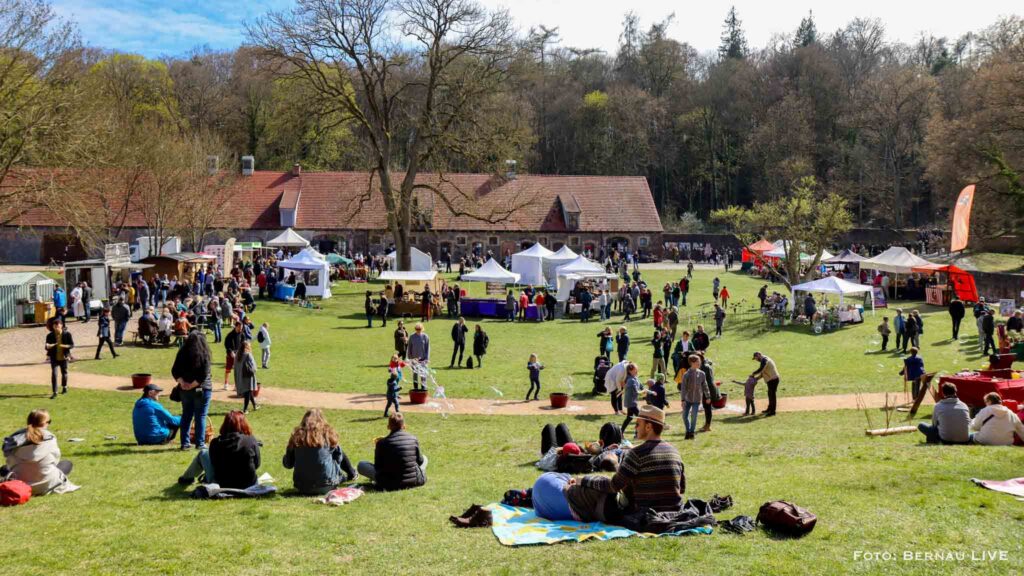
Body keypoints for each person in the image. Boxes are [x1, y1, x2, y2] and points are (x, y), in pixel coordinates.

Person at [571, 405, 684, 519]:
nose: (635, 428)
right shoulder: (675, 452)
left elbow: (613, 486)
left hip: (645, 516)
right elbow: (681, 488)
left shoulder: (636, 453)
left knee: (578, 492)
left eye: (638, 424)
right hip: (676, 513)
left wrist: (583, 480)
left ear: (649, 427)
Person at [283, 409, 357, 495]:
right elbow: (339, 457)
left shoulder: (296, 436)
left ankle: (349, 474)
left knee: (335, 450)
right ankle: (351, 473)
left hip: (301, 487)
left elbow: (288, 464)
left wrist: (288, 455)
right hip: (326, 485)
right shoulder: (327, 433)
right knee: (337, 449)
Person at [3, 409, 76, 495]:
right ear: (44, 423)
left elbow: (9, 461)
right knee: (66, 464)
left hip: (20, 484)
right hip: (46, 484)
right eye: (49, 422)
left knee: (4, 469)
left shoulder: (14, 440)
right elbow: (55, 461)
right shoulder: (50, 439)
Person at [180, 411, 261, 488]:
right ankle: (187, 478)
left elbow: (214, 465)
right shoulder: (251, 440)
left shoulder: (215, 443)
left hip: (221, 485)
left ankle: (186, 478)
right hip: (249, 484)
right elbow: (257, 464)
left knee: (203, 453)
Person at [357, 413, 427, 491]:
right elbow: (420, 461)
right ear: (404, 426)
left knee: (361, 465)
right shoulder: (413, 439)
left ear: (388, 427)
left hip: (389, 483)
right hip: (414, 481)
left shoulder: (381, 443)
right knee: (425, 458)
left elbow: (378, 466)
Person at [172, 331, 213, 451]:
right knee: (200, 416)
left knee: (186, 415)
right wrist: (192, 385)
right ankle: (199, 443)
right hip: (202, 389)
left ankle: (185, 443)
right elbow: (203, 375)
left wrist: (183, 383)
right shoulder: (204, 353)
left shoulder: (182, 352)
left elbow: (174, 370)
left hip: (185, 390)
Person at [44, 317, 74, 399]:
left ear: (62, 325)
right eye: (55, 325)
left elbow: (72, 345)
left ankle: (64, 386)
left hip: (64, 357)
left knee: (64, 373)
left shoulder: (67, 334)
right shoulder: (49, 335)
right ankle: (55, 392)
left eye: (58, 325)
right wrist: (49, 346)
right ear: (53, 326)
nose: (56, 327)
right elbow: (46, 347)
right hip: (54, 358)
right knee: (54, 374)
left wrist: (64, 346)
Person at [679, 355, 707, 440]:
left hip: (697, 399)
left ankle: (691, 432)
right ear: (692, 363)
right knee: (684, 416)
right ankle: (688, 430)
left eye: (699, 361)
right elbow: (683, 388)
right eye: (697, 362)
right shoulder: (686, 375)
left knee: (694, 416)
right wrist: (683, 399)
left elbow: (705, 386)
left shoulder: (702, 374)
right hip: (687, 399)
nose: (699, 363)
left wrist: (708, 396)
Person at [751, 352, 780, 416]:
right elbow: (763, 372)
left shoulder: (765, 360)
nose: (756, 360)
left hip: (773, 380)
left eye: (756, 358)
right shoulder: (763, 361)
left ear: (759, 355)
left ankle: (772, 412)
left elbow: (761, 369)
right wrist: (756, 378)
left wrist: (754, 373)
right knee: (770, 394)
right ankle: (769, 409)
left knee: (772, 395)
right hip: (771, 380)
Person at [235, 341, 259, 413]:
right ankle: (245, 409)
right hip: (248, 376)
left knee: (248, 391)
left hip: (240, 376)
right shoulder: (248, 355)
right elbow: (254, 367)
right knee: (248, 392)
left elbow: (236, 367)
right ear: (247, 347)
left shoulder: (237, 355)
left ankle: (255, 405)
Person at [620, 363, 644, 432]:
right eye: (635, 370)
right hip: (631, 403)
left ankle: (621, 432)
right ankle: (637, 434)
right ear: (630, 371)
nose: (637, 371)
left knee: (629, 418)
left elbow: (641, 386)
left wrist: (646, 390)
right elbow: (636, 391)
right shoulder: (631, 380)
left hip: (631, 402)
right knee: (640, 418)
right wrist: (643, 392)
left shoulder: (635, 378)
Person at [407, 323, 430, 391]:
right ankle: (416, 388)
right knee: (415, 374)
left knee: (423, 374)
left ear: (422, 329)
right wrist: (410, 358)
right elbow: (409, 348)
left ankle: (423, 387)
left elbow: (427, 348)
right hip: (414, 359)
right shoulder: (411, 337)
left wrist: (427, 358)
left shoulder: (425, 337)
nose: (418, 330)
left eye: (419, 329)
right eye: (417, 329)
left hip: (423, 359)